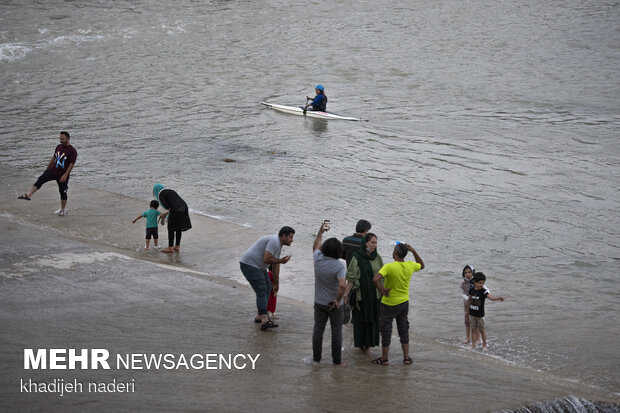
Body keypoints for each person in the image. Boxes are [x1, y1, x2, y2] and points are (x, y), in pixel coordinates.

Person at [372, 243, 425, 365]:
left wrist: (382, 290)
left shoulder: (389, 267)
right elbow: (422, 265)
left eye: (394, 249)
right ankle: (406, 358)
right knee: (403, 329)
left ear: (396, 252)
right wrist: (413, 251)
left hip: (388, 304)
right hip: (403, 303)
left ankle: (384, 358)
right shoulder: (410, 265)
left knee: (386, 331)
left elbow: (375, 279)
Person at [240, 226, 295, 331]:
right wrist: (281, 261)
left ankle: (259, 316)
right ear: (284, 236)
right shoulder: (274, 241)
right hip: (249, 264)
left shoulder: (278, 244)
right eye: (291, 237)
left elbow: (274, 264)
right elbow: (267, 259)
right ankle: (264, 320)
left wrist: (276, 283)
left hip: (258, 267)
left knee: (268, 287)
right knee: (261, 290)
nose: (292, 240)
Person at [312, 222, 347, 367]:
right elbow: (342, 285)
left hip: (319, 302)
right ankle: (337, 361)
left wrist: (320, 231)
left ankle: (316, 359)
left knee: (318, 330)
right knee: (336, 331)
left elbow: (316, 245)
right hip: (334, 304)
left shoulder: (318, 258)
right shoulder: (339, 265)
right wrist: (338, 300)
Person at [18, 131, 77, 216]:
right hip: (53, 170)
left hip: (62, 174)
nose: (60, 140)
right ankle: (28, 195)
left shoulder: (72, 151)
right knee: (40, 179)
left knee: (63, 192)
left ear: (68, 138)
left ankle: (62, 210)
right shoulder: (58, 147)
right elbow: (54, 157)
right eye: (60, 138)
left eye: (62, 139)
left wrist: (65, 175)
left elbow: (71, 164)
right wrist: (47, 168)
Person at [342, 233, 383, 352]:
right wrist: (345, 294)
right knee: (360, 321)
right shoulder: (357, 257)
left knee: (373, 320)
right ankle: (360, 347)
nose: (374, 245)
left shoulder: (377, 258)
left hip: (374, 295)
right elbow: (351, 278)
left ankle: (369, 347)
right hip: (360, 296)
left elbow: (382, 276)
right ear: (365, 243)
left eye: (376, 243)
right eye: (372, 242)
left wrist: (384, 292)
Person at [468, 272, 505, 351]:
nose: (481, 284)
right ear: (474, 282)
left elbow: (490, 298)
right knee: (473, 330)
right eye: (480, 283)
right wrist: (467, 310)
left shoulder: (483, 291)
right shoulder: (471, 290)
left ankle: (484, 345)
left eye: (483, 283)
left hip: (480, 315)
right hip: (472, 314)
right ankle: (473, 345)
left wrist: (498, 298)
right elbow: (469, 299)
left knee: (482, 331)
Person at [152, 184, 192, 253]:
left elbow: (167, 206)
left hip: (176, 209)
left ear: (156, 191)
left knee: (171, 227)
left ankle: (170, 247)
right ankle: (177, 246)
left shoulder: (160, 194)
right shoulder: (170, 191)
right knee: (179, 227)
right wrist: (167, 214)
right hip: (184, 207)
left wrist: (166, 215)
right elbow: (174, 204)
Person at [460, 265, 476, 344]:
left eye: (469, 272)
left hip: (476, 304)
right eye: (465, 273)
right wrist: (467, 298)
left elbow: (485, 289)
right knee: (467, 321)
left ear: (473, 272)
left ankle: (477, 338)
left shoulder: (476, 282)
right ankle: (468, 337)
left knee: (476, 321)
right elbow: (462, 294)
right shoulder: (463, 283)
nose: (467, 274)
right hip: (466, 305)